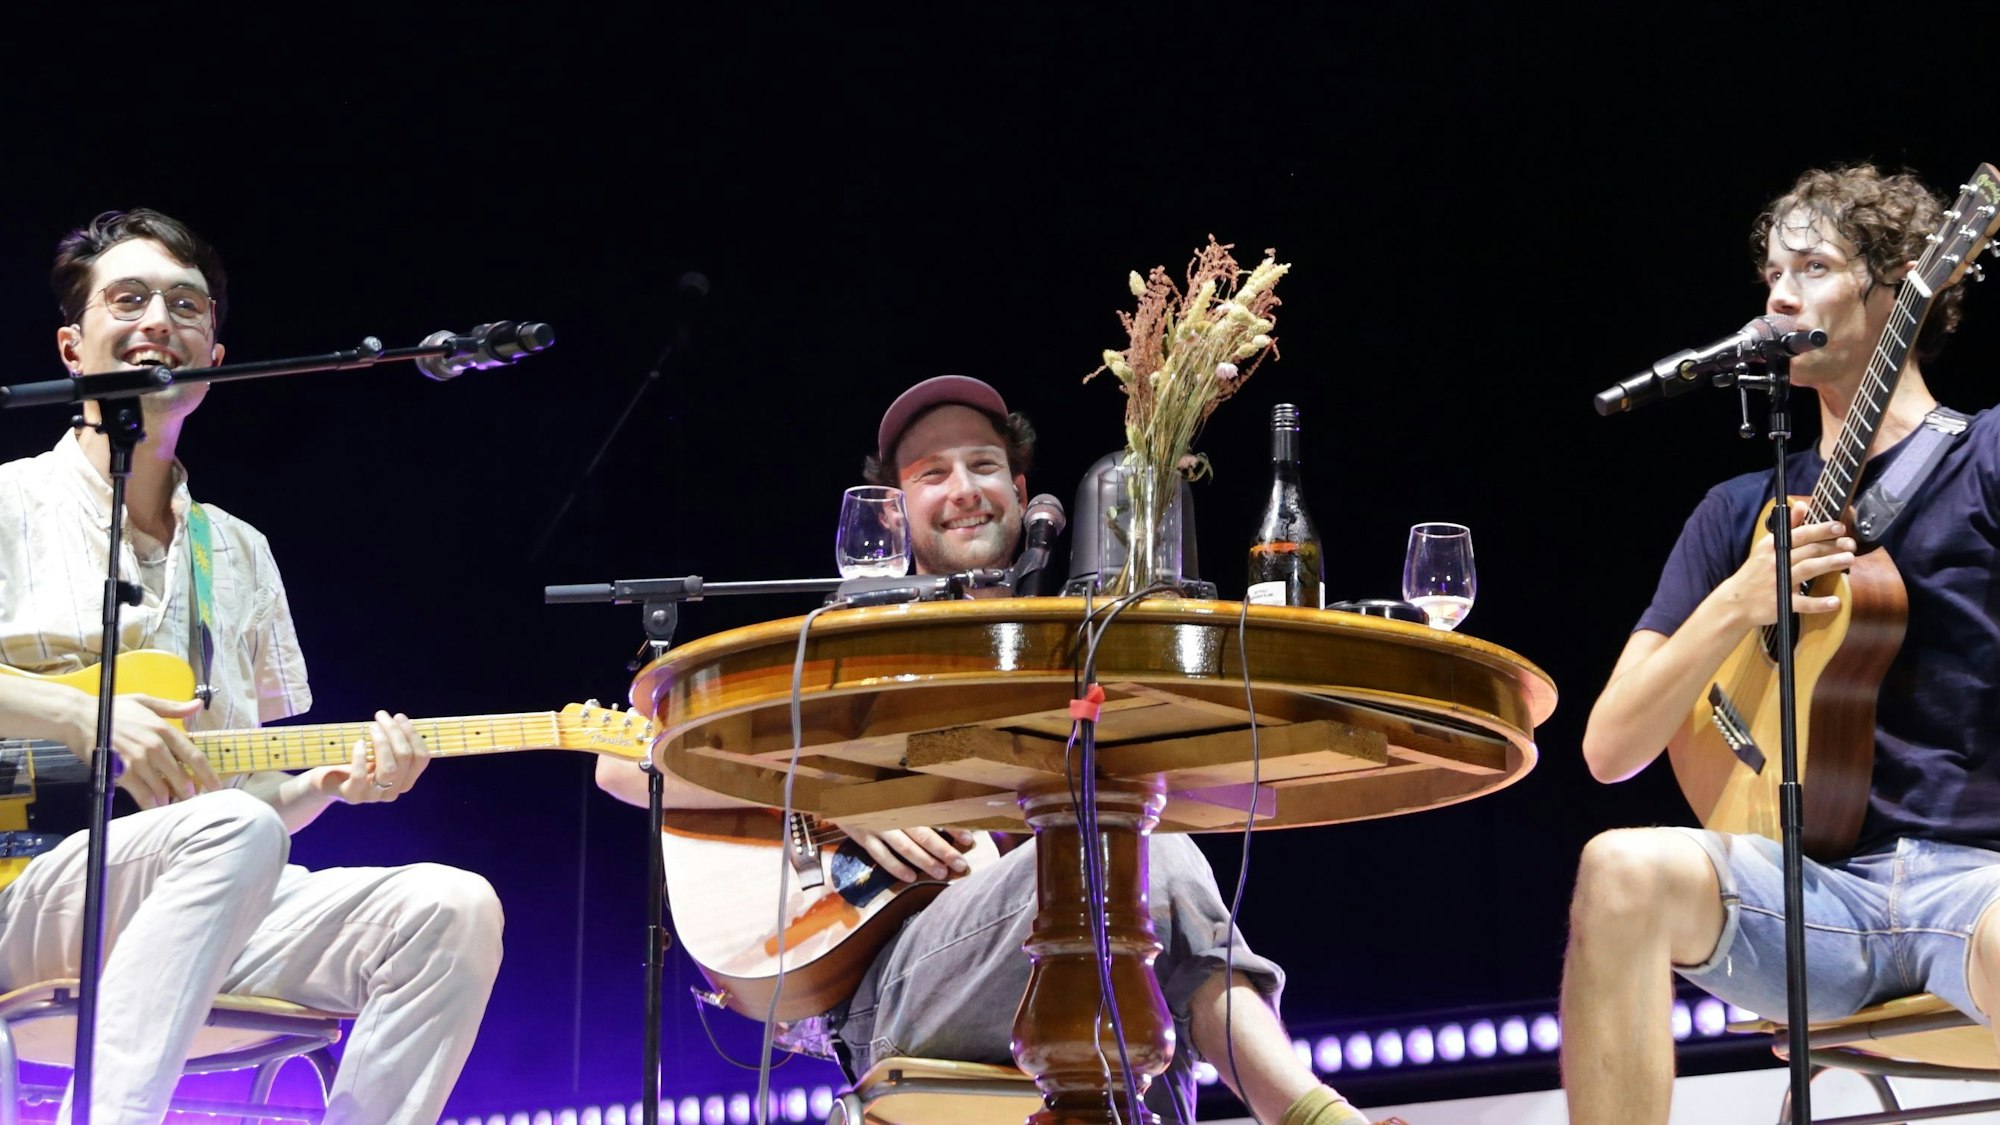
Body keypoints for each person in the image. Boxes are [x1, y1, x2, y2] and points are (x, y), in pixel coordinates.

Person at [599, 375, 1395, 1125]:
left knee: (1136, 872)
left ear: (1022, 495)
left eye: (983, 466)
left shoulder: (1076, 636)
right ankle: (1312, 1113)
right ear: (895, 509)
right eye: (931, 473)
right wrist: (828, 794)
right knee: (1139, 855)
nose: (963, 489)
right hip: (899, 987)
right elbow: (624, 757)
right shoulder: (844, 645)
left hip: (1070, 938)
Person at [0, 208, 504, 1124]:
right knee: (230, 827)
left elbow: (241, 806)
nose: (159, 319)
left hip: (192, 901)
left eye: (185, 305)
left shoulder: (238, 553)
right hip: (22, 892)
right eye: (130, 298)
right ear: (72, 347)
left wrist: (321, 787)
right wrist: (76, 714)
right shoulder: (9, 504)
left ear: (215, 357)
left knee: (451, 906)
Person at [1562, 163, 1998, 1123]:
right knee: (1618, 867)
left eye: (1814, 264)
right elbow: (1609, 748)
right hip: (1804, 899)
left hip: (1978, 887)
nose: (1779, 291)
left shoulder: (1990, 458)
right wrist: (1738, 602)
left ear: (1900, 286)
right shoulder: (1735, 512)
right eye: (1771, 271)